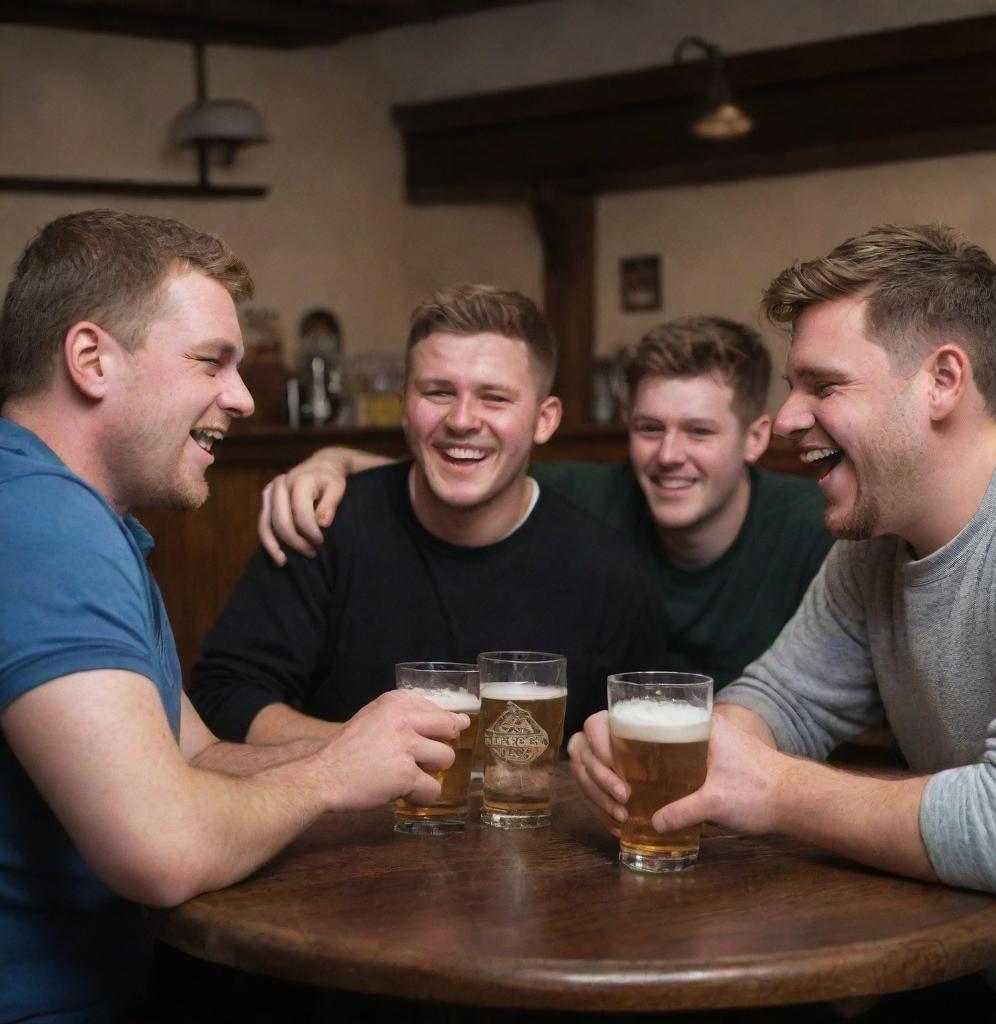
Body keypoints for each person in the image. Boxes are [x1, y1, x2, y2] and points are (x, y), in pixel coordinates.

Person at [0, 210, 469, 1023]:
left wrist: (364, 756)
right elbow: (161, 848)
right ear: (90, 358)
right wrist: (327, 778)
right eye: (212, 362)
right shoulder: (45, 524)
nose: (244, 398)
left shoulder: (77, 515)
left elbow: (200, 757)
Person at [569, 223, 996, 1014]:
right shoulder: (877, 536)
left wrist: (773, 790)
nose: (785, 419)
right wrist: (682, 757)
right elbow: (785, 701)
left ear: (943, 380)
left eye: (823, 385)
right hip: (963, 973)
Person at [189, 284, 663, 746]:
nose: (461, 420)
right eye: (438, 392)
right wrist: (360, 749)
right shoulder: (326, 527)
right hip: (350, 823)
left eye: (494, 397)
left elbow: (634, 741)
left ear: (545, 420)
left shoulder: (608, 571)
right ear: (404, 408)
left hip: (534, 824)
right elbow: (224, 696)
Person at [256, 316, 833, 687]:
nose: (668, 456)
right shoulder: (592, 497)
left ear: (756, 438)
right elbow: (466, 472)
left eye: (700, 432)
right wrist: (330, 461)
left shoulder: (814, 528)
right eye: (650, 428)